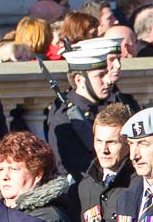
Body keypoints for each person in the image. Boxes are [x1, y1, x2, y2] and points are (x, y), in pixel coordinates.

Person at [46, 37, 128, 179]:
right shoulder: (65, 118)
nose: (108, 80)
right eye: (100, 76)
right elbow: (79, 171)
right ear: (79, 80)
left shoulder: (112, 104)